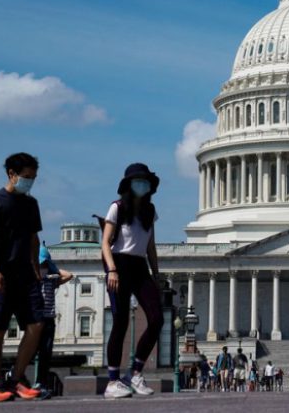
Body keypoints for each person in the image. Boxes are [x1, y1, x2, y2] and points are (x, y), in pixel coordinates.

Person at [0, 153, 45, 402]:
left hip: (26, 274)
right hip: (2, 272)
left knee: (37, 324)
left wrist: (36, 269)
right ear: (11, 174)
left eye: (33, 178)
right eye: (27, 177)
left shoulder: (31, 204)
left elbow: (33, 238)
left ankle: (16, 379)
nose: (30, 182)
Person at [101, 163, 164, 399]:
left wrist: (156, 275)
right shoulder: (116, 208)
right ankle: (113, 381)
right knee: (120, 322)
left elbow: (150, 246)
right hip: (118, 263)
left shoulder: (150, 210)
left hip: (139, 266)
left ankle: (135, 373)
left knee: (157, 318)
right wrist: (112, 270)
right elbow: (105, 242)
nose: (143, 185)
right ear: (129, 184)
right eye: (139, 181)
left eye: (146, 181)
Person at [34, 244, 73, 398]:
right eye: (39, 264)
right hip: (35, 320)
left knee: (45, 353)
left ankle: (41, 383)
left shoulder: (51, 281)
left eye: (44, 264)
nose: (41, 267)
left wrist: (53, 270)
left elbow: (68, 275)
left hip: (49, 320)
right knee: (31, 352)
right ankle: (16, 376)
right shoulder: (32, 282)